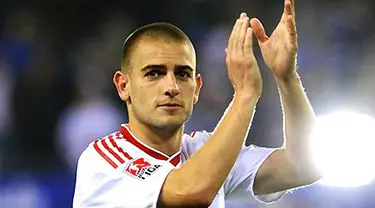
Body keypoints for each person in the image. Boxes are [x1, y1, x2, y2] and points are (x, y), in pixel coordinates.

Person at [73, 0, 321, 207]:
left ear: (197, 89)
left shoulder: (203, 151)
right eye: (154, 73)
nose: (171, 87)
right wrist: (244, 95)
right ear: (123, 86)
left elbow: (303, 167)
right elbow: (191, 193)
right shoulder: (102, 161)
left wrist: (287, 78)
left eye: (182, 74)